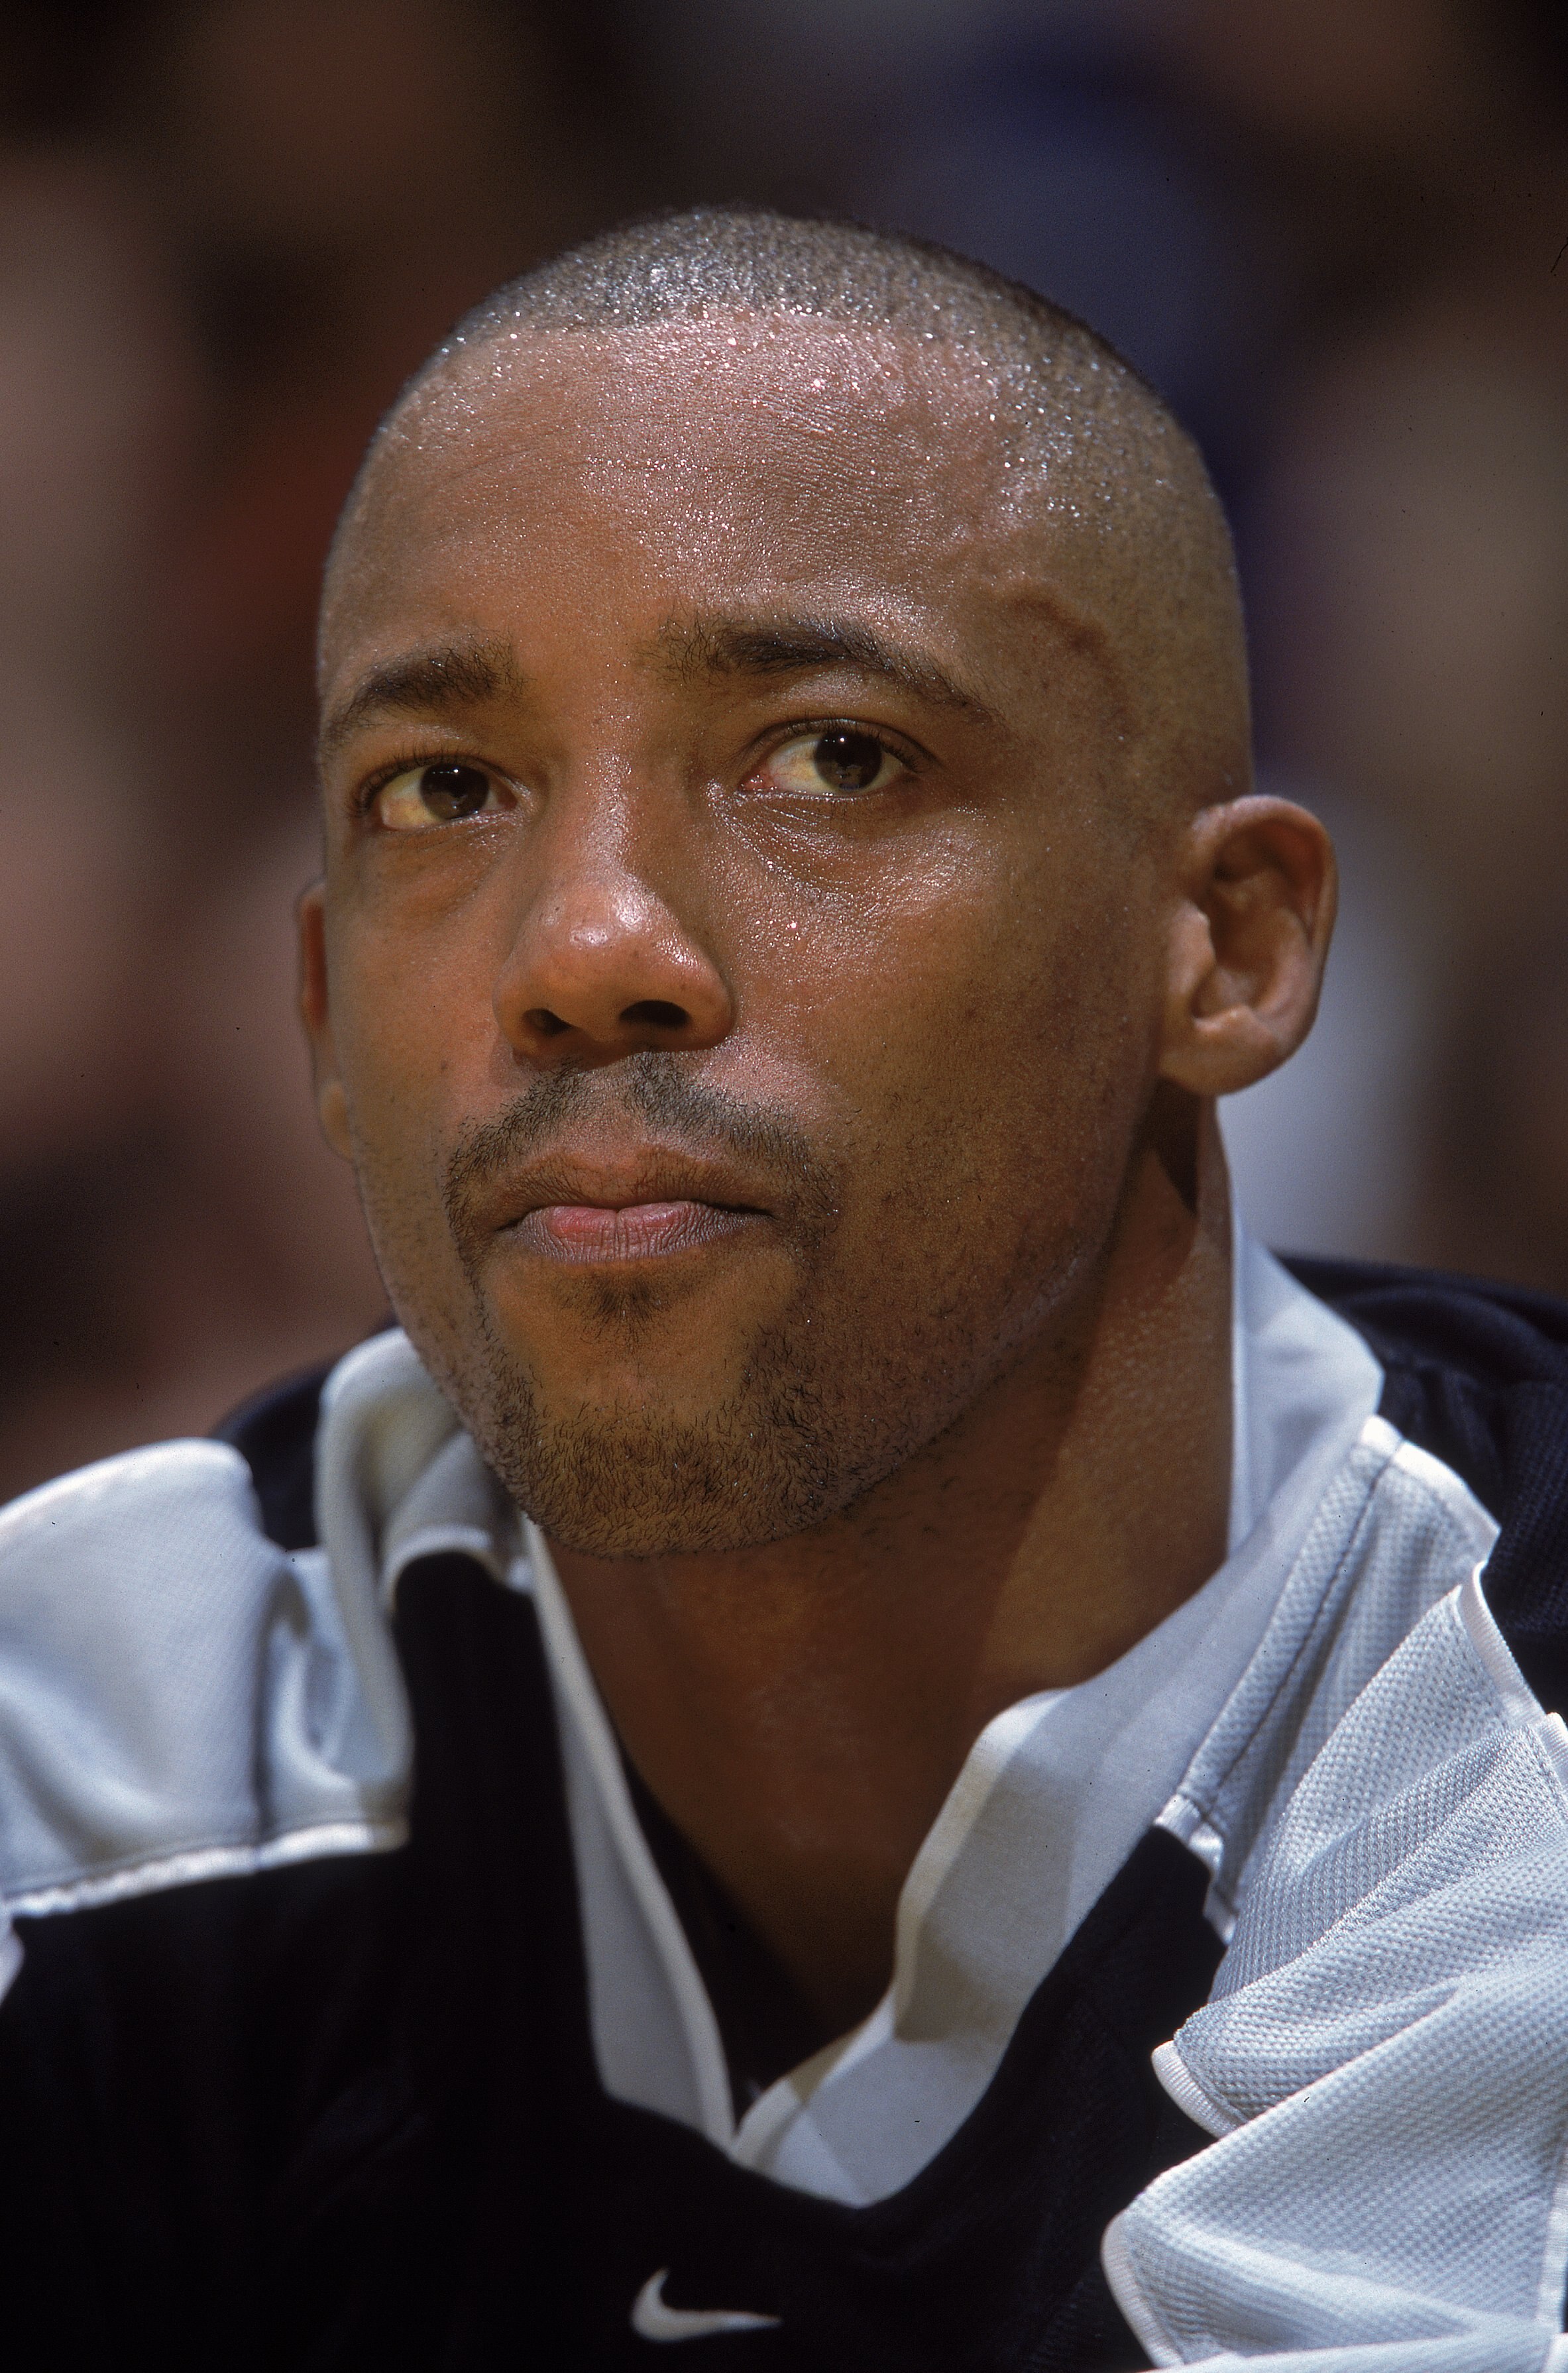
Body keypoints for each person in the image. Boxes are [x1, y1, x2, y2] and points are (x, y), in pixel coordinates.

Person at [2, 210, 1567, 2373]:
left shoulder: (1494, 1782)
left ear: (1226, 944)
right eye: (445, 791)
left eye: (831, 757)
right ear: (323, 1013)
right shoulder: (116, 1744)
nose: (586, 948)